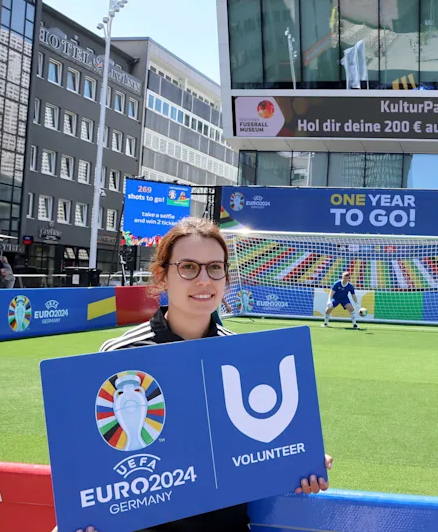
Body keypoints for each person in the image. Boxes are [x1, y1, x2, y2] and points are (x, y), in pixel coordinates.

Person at [90, 217, 333, 532]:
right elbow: (95, 465)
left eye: (215, 267)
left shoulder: (244, 356)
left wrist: (298, 463)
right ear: (162, 277)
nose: (204, 279)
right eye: (189, 267)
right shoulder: (119, 356)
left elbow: (256, 451)